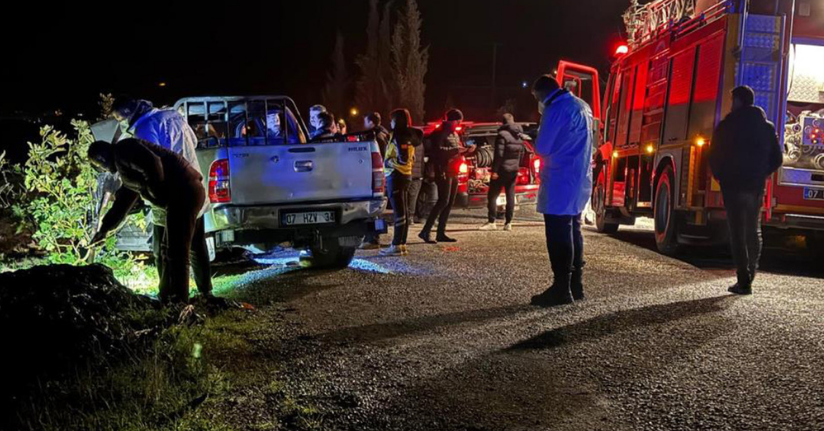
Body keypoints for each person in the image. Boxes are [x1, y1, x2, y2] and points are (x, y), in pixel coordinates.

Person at [111, 98, 213, 298]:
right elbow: (194, 141)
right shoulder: (172, 115)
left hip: (171, 196)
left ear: (129, 115)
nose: (121, 124)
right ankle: (205, 292)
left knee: (166, 251)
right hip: (194, 186)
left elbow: (151, 166)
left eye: (120, 119)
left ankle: (169, 296)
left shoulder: (144, 129)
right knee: (196, 245)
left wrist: (152, 194)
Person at [89, 139, 205, 304]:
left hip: (184, 192)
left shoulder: (124, 149)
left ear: (101, 158)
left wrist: (156, 192)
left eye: (99, 165)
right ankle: (168, 298)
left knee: (177, 253)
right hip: (179, 195)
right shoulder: (124, 166)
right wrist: (104, 229)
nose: (103, 170)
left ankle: (179, 302)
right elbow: (122, 203)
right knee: (168, 251)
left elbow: (153, 162)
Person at [708, 85, 782, 295]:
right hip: (754, 186)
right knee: (752, 230)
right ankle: (751, 272)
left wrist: (721, 175)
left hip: (732, 186)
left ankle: (743, 280)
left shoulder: (727, 125)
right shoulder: (766, 127)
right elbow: (777, 159)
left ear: (738, 101)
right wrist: (762, 174)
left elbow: (714, 154)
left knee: (737, 233)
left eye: (733, 100)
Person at [528, 75, 594, 307]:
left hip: (560, 177)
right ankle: (576, 285)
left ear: (542, 92)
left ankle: (560, 288)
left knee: (557, 232)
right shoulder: (582, 105)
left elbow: (543, 147)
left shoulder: (555, 109)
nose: (538, 102)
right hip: (579, 176)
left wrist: (535, 138)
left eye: (536, 97)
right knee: (574, 229)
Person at [418, 109, 466, 244]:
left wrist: (465, 151)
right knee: (442, 201)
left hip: (454, 170)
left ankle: (441, 232)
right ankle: (425, 231)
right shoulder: (440, 133)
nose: (459, 123)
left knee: (449, 202)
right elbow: (438, 151)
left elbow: (456, 149)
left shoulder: (455, 134)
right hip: (443, 170)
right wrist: (456, 150)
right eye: (457, 121)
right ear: (451, 120)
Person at [381, 109, 420, 256]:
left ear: (397, 120)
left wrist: (390, 162)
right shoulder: (410, 135)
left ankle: (396, 244)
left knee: (399, 212)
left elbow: (402, 157)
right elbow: (411, 157)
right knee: (403, 211)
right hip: (406, 175)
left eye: (392, 120)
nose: (390, 122)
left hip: (396, 176)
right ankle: (401, 244)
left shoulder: (398, 136)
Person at [480, 113, 527, 232]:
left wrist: (494, 170)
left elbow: (499, 155)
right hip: (513, 170)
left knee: (492, 195)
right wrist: (517, 165)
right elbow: (522, 153)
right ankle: (508, 223)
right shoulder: (519, 136)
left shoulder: (502, 135)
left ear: (503, 122)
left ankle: (492, 221)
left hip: (502, 170)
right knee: (510, 195)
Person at [360, 112, 391, 250]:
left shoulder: (375, 137)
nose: (364, 125)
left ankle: (373, 238)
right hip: (381, 174)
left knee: (373, 208)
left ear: (371, 123)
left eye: (366, 122)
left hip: (376, 175)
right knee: (377, 208)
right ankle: (374, 237)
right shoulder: (384, 134)